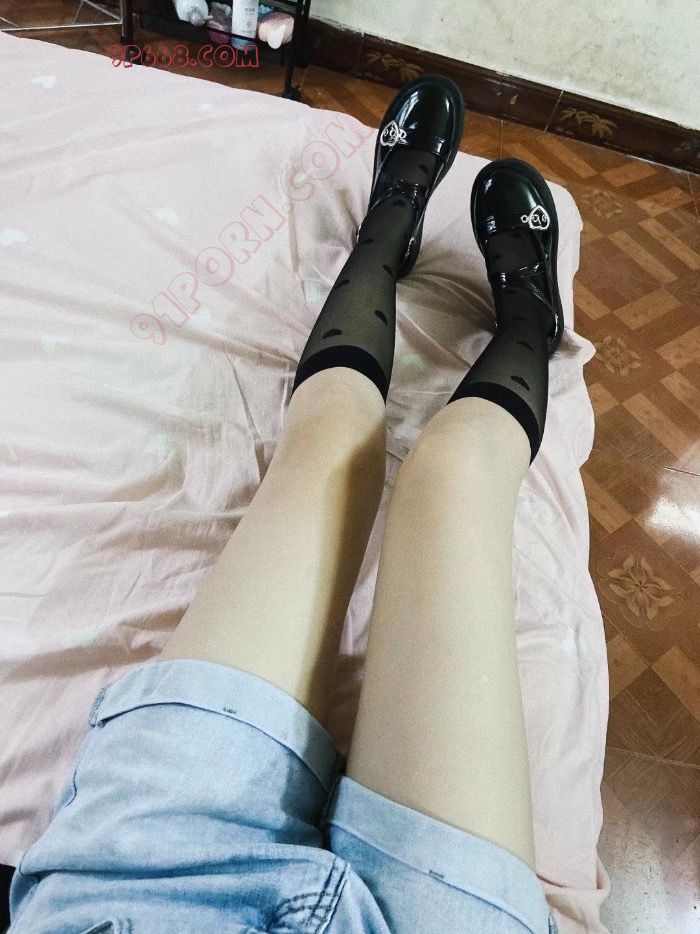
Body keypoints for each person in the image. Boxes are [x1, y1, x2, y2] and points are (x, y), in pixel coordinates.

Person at [8, 75, 562, 933]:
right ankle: (528, 316)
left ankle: (389, 227)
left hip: (146, 885)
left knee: (329, 438)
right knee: (454, 475)